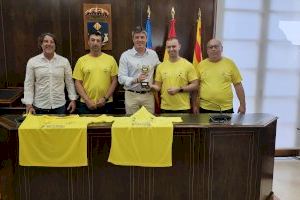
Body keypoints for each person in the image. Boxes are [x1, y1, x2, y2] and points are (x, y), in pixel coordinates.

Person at [22, 33, 77, 114]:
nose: (49, 44)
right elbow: (28, 84)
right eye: (46, 41)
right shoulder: (32, 62)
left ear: (55, 45)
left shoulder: (64, 61)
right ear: (41, 44)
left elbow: (69, 82)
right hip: (40, 106)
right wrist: (28, 104)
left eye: (52, 42)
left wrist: (73, 100)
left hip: (60, 106)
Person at [73, 31, 118, 114]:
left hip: (106, 103)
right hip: (85, 104)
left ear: (101, 43)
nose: (95, 43)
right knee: (85, 127)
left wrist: (105, 98)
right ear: (88, 42)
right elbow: (77, 83)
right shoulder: (81, 60)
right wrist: (87, 100)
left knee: (106, 127)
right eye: (93, 40)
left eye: (98, 41)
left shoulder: (110, 59)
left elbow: (114, 81)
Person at [118, 26, 160, 115]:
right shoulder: (125, 55)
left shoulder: (153, 55)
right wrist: (136, 80)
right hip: (132, 95)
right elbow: (121, 78)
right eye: (137, 37)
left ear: (146, 39)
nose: (139, 40)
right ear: (133, 39)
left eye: (142, 37)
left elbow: (161, 69)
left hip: (148, 95)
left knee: (149, 124)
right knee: (132, 125)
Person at [196, 39, 246, 114]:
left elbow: (238, 85)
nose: (213, 49)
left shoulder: (230, 63)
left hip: (226, 108)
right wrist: (195, 105)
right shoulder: (201, 65)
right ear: (207, 50)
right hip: (204, 108)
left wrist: (243, 105)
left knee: (225, 126)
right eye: (211, 47)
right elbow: (196, 86)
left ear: (221, 48)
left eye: (216, 46)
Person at [151, 37, 199, 113]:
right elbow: (158, 87)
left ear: (179, 46)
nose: (171, 49)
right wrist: (150, 86)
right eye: (169, 47)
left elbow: (195, 85)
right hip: (165, 107)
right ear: (166, 48)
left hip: (183, 108)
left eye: (174, 46)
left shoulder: (188, 65)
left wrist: (179, 89)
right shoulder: (160, 66)